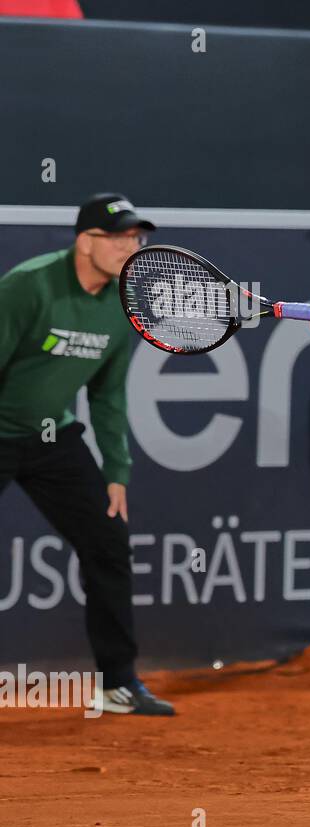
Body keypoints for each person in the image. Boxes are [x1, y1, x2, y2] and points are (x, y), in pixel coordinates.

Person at [0, 193, 173, 716]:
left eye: (135, 237)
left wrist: (116, 470)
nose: (130, 247)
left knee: (108, 541)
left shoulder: (124, 303)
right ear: (84, 241)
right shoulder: (28, 286)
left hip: (54, 440)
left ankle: (117, 683)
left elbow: (108, 394)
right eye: (117, 237)